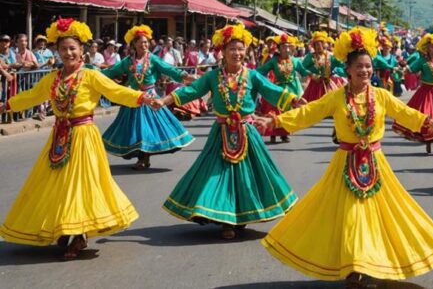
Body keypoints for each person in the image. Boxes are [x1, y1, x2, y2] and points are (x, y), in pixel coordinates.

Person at [257, 26, 433, 287]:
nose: (365, 71)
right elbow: (309, 113)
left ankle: (368, 264)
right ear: (348, 69)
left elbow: (405, 113)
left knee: (381, 215)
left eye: (368, 67)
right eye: (359, 67)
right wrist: (273, 122)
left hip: (375, 162)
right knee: (349, 217)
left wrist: (431, 123)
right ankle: (354, 270)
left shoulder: (381, 96)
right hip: (345, 163)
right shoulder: (336, 97)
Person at [0, 18, 156, 259]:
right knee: (57, 184)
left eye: (73, 48)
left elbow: (116, 91)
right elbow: (32, 95)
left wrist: (142, 98)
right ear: (58, 51)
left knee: (81, 185)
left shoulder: (91, 76)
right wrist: (7, 105)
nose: (68, 53)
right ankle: (65, 224)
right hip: (60, 136)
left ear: (82, 50)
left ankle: (80, 234)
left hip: (84, 136)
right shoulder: (53, 78)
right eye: (63, 49)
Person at [158, 23, 300, 240]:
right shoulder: (213, 77)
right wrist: (164, 100)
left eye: (241, 49)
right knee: (218, 175)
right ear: (222, 52)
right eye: (232, 49)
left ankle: (241, 215)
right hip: (221, 132)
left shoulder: (252, 76)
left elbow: (272, 91)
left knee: (251, 176)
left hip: (247, 131)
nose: (237, 53)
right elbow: (191, 91)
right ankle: (225, 220)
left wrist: (294, 100)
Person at [101, 25, 195, 170]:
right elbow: (112, 72)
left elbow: (169, 70)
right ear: (134, 44)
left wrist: (188, 77)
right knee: (135, 129)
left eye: (146, 42)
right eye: (141, 42)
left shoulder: (153, 59)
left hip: (151, 99)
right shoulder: (127, 61)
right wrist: (93, 75)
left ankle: (144, 158)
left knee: (146, 129)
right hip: (133, 98)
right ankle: (142, 157)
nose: (145, 45)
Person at [257, 33, 311, 143]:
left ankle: (284, 133)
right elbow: (262, 70)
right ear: (279, 49)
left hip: (291, 89)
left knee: (287, 113)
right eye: (283, 47)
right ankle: (273, 134)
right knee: (275, 110)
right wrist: (250, 73)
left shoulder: (295, 61)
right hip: (278, 89)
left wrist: (312, 74)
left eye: (288, 47)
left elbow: (303, 71)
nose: (286, 49)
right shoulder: (273, 61)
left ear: (291, 49)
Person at [301, 31, 346, 102]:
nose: (319, 46)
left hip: (328, 83)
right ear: (314, 46)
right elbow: (302, 68)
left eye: (321, 44)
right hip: (314, 86)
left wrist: (336, 70)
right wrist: (312, 74)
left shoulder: (330, 56)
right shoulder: (310, 57)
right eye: (316, 45)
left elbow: (342, 65)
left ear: (324, 44)